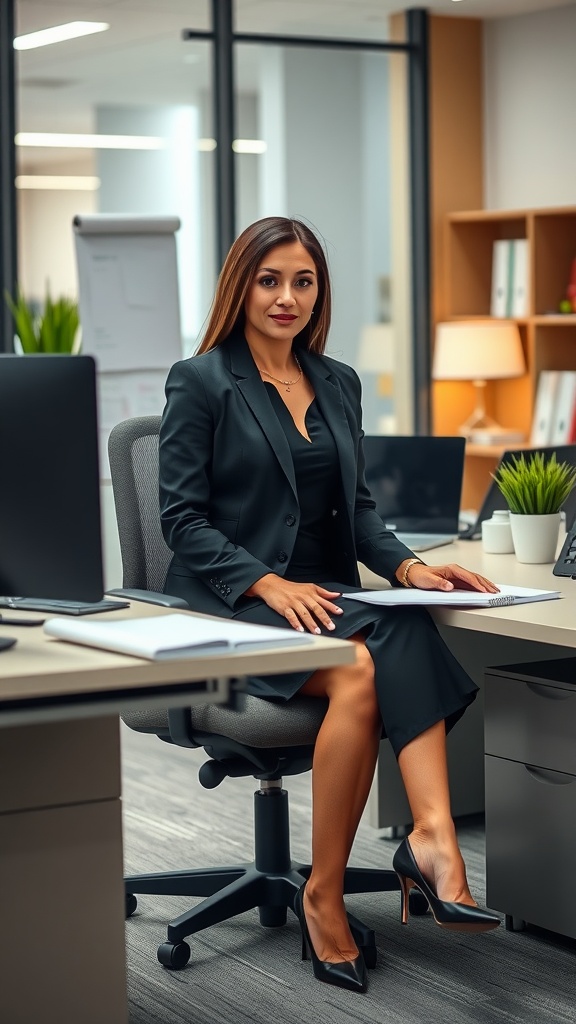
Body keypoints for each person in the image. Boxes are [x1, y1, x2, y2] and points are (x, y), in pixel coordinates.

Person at [158, 216, 501, 995]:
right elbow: (182, 520)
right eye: (270, 279)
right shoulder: (203, 379)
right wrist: (263, 582)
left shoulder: (337, 381)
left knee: (391, 628)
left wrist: (412, 567)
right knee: (361, 657)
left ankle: (416, 845)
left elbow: (362, 511)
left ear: (320, 292)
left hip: (324, 597)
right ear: (241, 285)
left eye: (303, 281)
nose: (287, 297)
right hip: (231, 600)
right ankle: (403, 860)